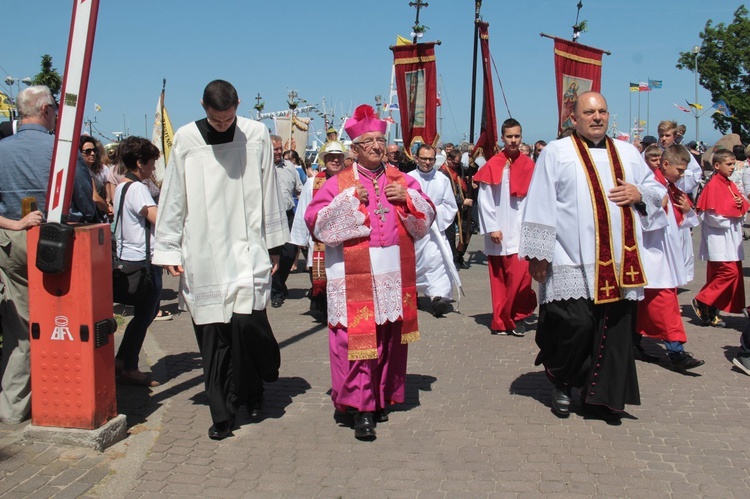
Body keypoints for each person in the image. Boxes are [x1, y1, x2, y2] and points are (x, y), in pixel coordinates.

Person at [152, 80, 288, 440]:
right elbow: (173, 194)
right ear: (202, 107)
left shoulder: (256, 134)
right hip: (205, 249)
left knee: (247, 325)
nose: (224, 125)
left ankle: (255, 390)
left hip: (248, 245)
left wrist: (274, 244)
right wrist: (168, 249)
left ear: (238, 105)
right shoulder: (185, 139)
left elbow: (269, 187)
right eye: (216, 119)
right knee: (213, 336)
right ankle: (223, 412)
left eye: (229, 119)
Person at [519, 91, 666, 422]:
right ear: (574, 118)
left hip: (617, 261)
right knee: (575, 324)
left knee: (611, 330)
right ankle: (561, 378)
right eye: (589, 112)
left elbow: (659, 191)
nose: (597, 117)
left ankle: (598, 397)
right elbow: (541, 200)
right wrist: (538, 254)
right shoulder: (557, 152)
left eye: (602, 111)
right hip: (568, 256)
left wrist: (640, 193)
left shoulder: (628, 153)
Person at [304, 104, 435, 441]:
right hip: (352, 276)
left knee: (387, 338)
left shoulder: (400, 179)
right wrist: (348, 201)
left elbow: (426, 220)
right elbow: (316, 224)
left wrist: (406, 197)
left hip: (391, 271)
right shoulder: (338, 183)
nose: (378, 146)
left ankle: (378, 398)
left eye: (381, 139)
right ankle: (359, 407)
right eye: (370, 141)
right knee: (355, 341)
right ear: (356, 148)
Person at [0, 85, 96, 425]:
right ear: (45, 111)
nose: (57, 114)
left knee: (22, 330)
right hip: (60, 243)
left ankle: (13, 408)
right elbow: (85, 201)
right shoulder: (61, 152)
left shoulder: (2, 150)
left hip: (11, 244)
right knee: (67, 323)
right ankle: (66, 398)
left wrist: (12, 223)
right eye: (54, 108)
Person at [637, 145, 704, 371]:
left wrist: (687, 209)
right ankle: (676, 352)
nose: (682, 175)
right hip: (653, 254)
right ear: (665, 165)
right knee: (665, 304)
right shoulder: (651, 187)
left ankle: (633, 342)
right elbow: (643, 220)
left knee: (645, 305)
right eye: (679, 170)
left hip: (668, 255)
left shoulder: (672, 188)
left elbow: (682, 223)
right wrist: (657, 206)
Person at [474, 118, 537, 337]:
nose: (513, 140)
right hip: (499, 229)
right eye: (509, 136)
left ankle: (518, 315)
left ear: (521, 137)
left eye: (517, 136)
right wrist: (492, 227)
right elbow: (485, 200)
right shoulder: (493, 164)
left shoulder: (529, 164)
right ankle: (501, 321)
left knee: (522, 277)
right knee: (500, 279)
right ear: (502, 138)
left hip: (522, 229)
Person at [112, 137, 164, 386]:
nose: (154, 168)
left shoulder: (121, 186)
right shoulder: (138, 188)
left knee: (145, 313)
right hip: (143, 261)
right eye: (152, 163)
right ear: (140, 162)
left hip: (128, 257)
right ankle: (129, 366)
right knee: (146, 314)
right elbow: (156, 217)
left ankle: (122, 361)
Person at [290, 141, 347, 322]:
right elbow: (303, 211)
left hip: (343, 237)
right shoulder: (313, 182)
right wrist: (300, 239)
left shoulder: (350, 180)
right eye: (331, 157)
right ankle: (323, 310)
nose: (335, 161)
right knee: (321, 276)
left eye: (338, 157)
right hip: (319, 239)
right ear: (325, 160)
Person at [691, 149, 749, 328]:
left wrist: (738, 208)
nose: (732, 168)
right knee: (727, 273)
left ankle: (711, 311)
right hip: (719, 239)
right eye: (729, 164)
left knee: (722, 275)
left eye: (733, 164)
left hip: (731, 238)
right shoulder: (714, 184)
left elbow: (740, 204)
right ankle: (702, 299)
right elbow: (709, 215)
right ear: (717, 166)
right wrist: (732, 212)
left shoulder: (729, 184)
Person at [407, 144, 460, 317]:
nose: (427, 162)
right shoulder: (408, 178)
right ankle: (411, 294)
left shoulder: (442, 179)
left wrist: (432, 213)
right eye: (424, 158)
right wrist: (417, 216)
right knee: (414, 264)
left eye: (431, 159)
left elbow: (450, 205)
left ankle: (438, 298)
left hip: (436, 231)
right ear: (416, 158)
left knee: (438, 263)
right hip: (415, 232)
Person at [270, 135, 303, 308]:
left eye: (279, 148)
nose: (278, 152)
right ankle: (277, 292)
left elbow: (299, 190)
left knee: (290, 253)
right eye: (275, 149)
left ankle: (279, 284)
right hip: (270, 217)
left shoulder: (289, 166)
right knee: (274, 255)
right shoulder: (262, 167)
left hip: (289, 214)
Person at [440, 150, 473, 269]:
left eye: (459, 164)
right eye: (455, 163)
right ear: (449, 160)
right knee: (451, 236)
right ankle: (452, 259)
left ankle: (459, 256)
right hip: (450, 207)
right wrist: (462, 201)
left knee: (466, 230)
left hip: (462, 208)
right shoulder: (443, 172)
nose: (457, 166)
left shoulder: (458, 170)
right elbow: (446, 193)